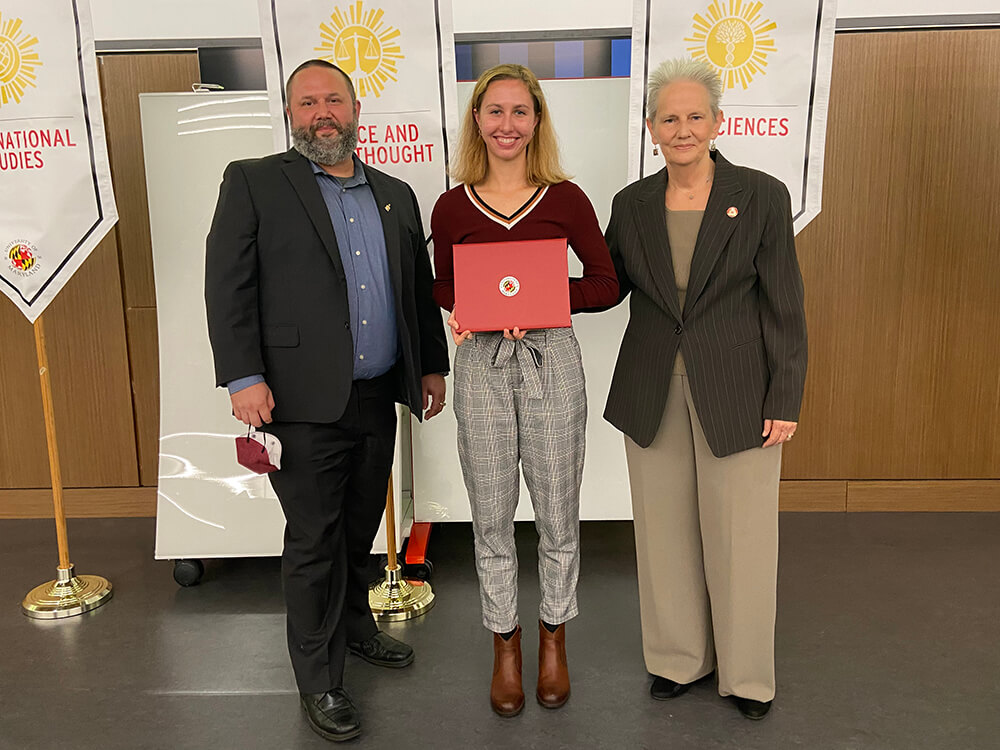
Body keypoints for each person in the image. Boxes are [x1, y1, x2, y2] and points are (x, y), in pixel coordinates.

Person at [204, 59, 449, 743]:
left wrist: (431, 366)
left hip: (378, 396)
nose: (322, 112)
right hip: (298, 400)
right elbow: (227, 285)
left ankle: (355, 628)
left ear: (356, 108)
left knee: (358, 527)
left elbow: (414, 291)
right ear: (291, 114)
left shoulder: (396, 193)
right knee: (313, 539)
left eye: (333, 99)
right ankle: (319, 678)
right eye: (307, 102)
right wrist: (241, 376)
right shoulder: (254, 181)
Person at [603, 58, 807, 721]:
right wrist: (518, 294)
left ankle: (747, 675)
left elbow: (785, 306)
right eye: (669, 118)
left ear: (717, 122)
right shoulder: (631, 204)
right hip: (652, 386)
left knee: (741, 538)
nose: (682, 128)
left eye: (695, 116)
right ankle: (676, 660)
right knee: (664, 534)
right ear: (651, 127)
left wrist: (786, 397)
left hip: (742, 389)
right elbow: (606, 287)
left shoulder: (763, 195)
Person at [430, 63, 618, 717]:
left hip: (551, 360)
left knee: (557, 511)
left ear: (537, 120)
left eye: (520, 112)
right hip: (481, 363)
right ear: (476, 120)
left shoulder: (565, 198)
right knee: (491, 514)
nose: (506, 125)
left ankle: (553, 638)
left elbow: (605, 281)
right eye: (495, 111)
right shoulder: (453, 206)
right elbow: (443, 286)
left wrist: (539, 294)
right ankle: (504, 643)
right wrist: (474, 304)